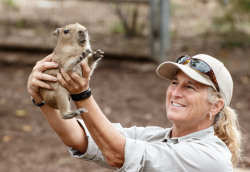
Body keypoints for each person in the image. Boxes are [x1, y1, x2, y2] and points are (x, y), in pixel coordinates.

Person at [27, 53, 242, 172]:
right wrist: (43, 97)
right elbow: (80, 138)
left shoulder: (209, 158)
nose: (175, 92)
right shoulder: (153, 137)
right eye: (175, 82)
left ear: (215, 106)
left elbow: (116, 154)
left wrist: (82, 95)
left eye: (190, 87)